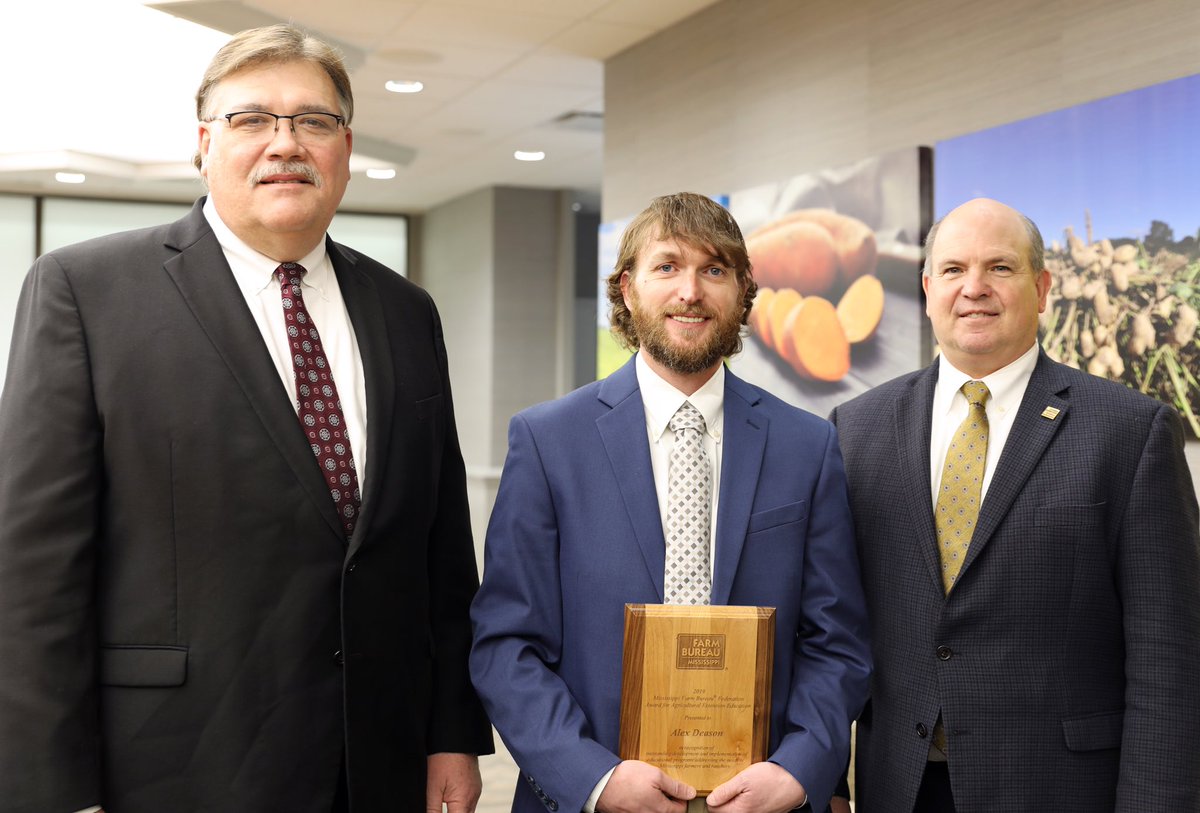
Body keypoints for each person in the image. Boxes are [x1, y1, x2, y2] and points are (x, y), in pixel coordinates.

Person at [0, 24, 492, 813]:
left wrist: (451, 731)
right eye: (252, 118)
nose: (285, 142)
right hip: (174, 766)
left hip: (378, 762)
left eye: (313, 121)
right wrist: (54, 793)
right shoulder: (85, 292)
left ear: (345, 147)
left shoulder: (406, 311)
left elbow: (440, 550)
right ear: (205, 144)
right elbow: (33, 572)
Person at [470, 192, 872, 813]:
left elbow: (836, 641)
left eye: (714, 269)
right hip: (590, 798)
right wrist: (594, 780)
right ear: (627, 288)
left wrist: (798, 770)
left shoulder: (807, 446)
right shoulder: (548, 441)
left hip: (760, 799)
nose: (691, 291)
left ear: (743, 290)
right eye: (667, 267)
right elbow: (506, 645)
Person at [829, 197, 1200, 811]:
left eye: (999, 267)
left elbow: (1169, 655)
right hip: (899, 786)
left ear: (1042, 287)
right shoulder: (855, 428)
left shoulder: (1131, 432)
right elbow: (832, 623)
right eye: (953, 270)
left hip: (1059, 789)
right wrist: (824, 784)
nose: (974, 287)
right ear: (928, 289)